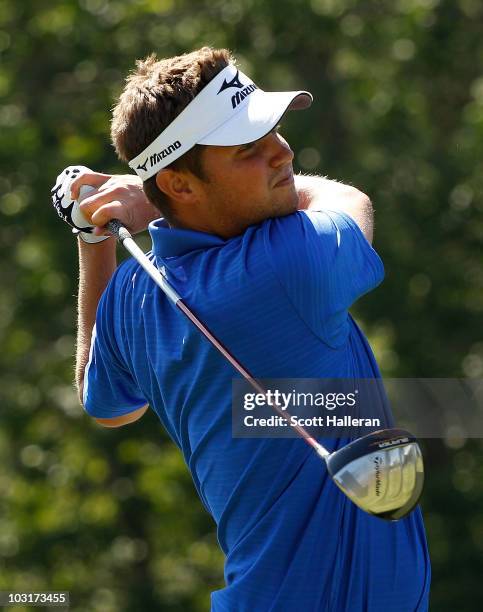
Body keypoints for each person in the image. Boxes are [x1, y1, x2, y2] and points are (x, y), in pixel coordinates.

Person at [52, 47, 431, 611]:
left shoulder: (133, 296)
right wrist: (146, 201)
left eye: (275, 133)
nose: (284, 154)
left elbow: (105, 402)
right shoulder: (288, 263)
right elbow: (351, 199)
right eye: (252, 150)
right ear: (181, 185)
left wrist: (95, 240)